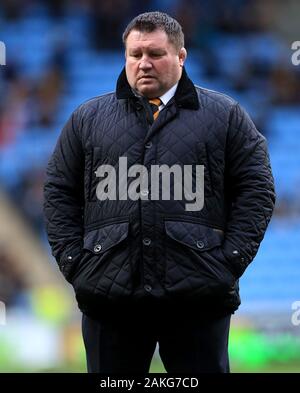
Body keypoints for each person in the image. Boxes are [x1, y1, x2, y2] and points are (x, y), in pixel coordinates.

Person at [43, 11, 275, 373]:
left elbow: (256, 189)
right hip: (109, 300)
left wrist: (228, 261)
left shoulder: (226, 115)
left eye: (155, 54)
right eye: (135, 55)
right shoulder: (87, 119)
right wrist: (77, 265)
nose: (143, 63)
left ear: (181, 56)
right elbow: (58, 192)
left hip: (199, 300)